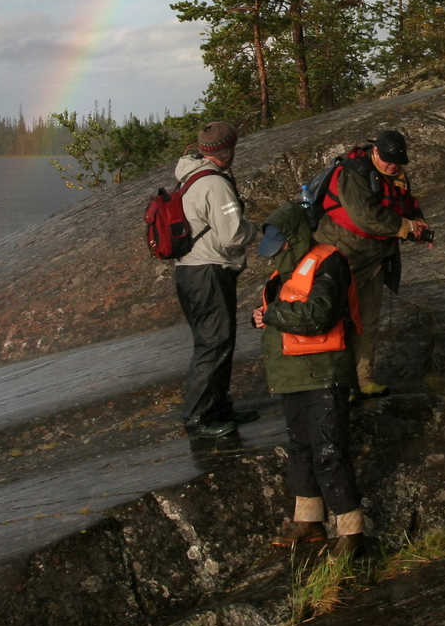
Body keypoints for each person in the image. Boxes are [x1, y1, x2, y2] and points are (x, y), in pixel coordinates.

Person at [252, 203, 369, 558]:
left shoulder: (329, 262)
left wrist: (272, 314)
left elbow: (320, 313)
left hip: (324, 372)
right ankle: (309, 522)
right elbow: (282, 315)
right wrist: (262, 316)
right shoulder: (278, 278)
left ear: (294, 238)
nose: (277, 254)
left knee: (330, 450)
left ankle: (351, 531)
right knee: (301, 446)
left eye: (281, 245)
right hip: (291, 375)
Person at [315, 129, 431, 398]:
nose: (393, 164)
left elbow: (405, 205)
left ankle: (363, 379)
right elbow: (365, 216)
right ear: (375, 151)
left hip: (376, 258)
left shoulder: (396, 174)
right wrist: (406, 226)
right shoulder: (352, 173)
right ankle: (342, 384)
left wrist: (419, 227)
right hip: (342, 257)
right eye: (388, 159)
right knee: (341, 319)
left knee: (368, 319)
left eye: (398, 160)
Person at [172, 121, 260, 446]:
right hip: (208, 271)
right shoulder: (216, 185)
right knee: (213, 343)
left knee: (218, 340)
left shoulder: (190, 176)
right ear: (228, 149)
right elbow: (232, 234)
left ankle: (221, 408)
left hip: (190, 271)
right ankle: (199, 418)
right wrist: (258, 229)